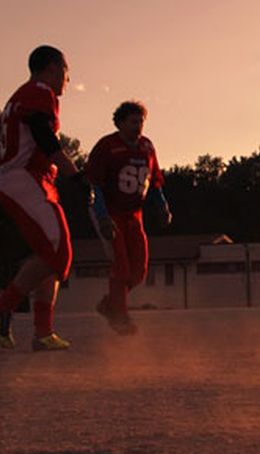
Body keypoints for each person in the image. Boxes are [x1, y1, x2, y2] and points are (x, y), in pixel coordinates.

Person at [0, 45, 80, 352]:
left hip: (32, 180)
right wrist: (75, 175)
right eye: (66, 70)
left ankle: (43, 331)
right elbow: (44, 136)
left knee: (52, 256)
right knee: (57, 248)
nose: (69, 78)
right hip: (24, 179)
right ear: (53, 67)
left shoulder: (25, 95)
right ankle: (2, 305)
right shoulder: (39, 91)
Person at [86, 101, 170, 335]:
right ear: (120, 122)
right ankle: (119, 317)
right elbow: (95, 185)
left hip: (134, 214)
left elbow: (153, 182)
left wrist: (162, 205)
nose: (139, 126)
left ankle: (111, 303)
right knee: (121, 266)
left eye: (141, 121)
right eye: (133, 121)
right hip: (110, 211)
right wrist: (102, 215)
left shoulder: (147, 147)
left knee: (139, 270)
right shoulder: (107, 146)